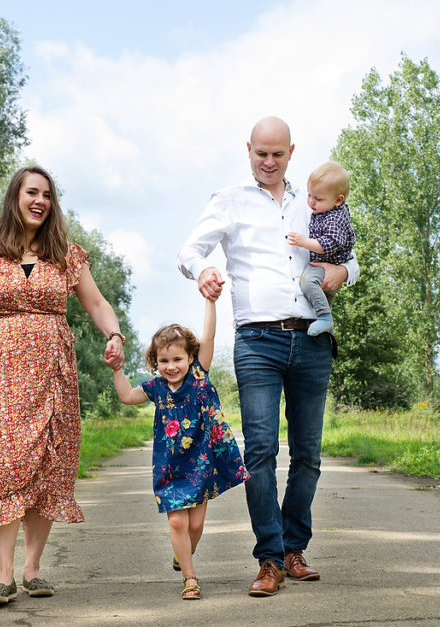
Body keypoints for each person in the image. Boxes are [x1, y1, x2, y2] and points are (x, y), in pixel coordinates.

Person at [177, 116, 360, 597]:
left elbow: (349, 254)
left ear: (291, 153)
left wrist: (344, 274)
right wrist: (203, 273)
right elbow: (189, 251)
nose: (268, 161)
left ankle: (295, 549)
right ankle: (270, 560)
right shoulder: (229, 200)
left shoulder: (313, 200)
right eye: (261, 152)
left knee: (309, 454)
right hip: (258, 340)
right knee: (259, 451)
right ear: (248, 149)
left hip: (313, 338)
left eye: (277, 154)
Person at [0, 165, 126, 608]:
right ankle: (3, 576)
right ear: (15, 197)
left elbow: (98, 302)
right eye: (32, 192)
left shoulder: (65, 255)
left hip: (53, 373)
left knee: (47, 464)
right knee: (3, 465)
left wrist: (114, 335)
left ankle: (32, 569)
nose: (40, 201)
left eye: (47, 194)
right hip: (0, 375)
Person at [109, 295, 249, 601]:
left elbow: (209, 335)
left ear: (190, 357)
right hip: (170, 464)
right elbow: (127, 397)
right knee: (176, 521)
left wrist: (210, 301)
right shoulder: (156, 387)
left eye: (177, 359)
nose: (171, 366)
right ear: (155, 362)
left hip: (202, 461)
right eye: (163, 361)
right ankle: (190, 577)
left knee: (195, 525)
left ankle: (183, 552)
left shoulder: (199, 375)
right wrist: (118, 369)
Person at [286, 161, 356, 336]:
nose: (311, 202)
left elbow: (328, 244)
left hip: (326, 264)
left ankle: (325, 318)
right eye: (310, 195)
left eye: (318, 199)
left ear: (338, 200)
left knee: (308, 282)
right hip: (326, 268)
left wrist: (304, 242)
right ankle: (327, 329)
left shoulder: (334, 218)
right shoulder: (325, 210)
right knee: (325, 298)